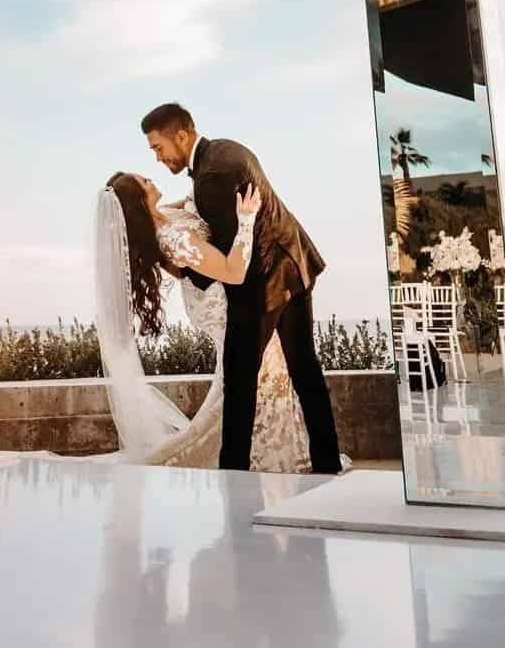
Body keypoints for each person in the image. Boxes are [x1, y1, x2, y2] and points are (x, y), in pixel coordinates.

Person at [141, 102, 342, 474]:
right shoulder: (224, 150)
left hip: (261, 284)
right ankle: (327, 463)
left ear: (181, 135)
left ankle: (233, 476)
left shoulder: (211, 176)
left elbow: (230, 254)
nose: (157, 157)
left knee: (238, 382)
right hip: (293, 264)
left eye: (158, 147)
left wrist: (187, 270)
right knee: (305, 369)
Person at [93, 170, 310, 472]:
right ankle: (265, 457)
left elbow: (192, 202)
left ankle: (275, 450)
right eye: (144, 181)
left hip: (211, 299)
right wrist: (246, 219)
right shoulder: (172, 239)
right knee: (263, 373)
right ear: (139, 202)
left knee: (251, 376)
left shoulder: (164, 212)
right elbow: (233, 271)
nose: (149, 177)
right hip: (218, 306)